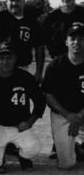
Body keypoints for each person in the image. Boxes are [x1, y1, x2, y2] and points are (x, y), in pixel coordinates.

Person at [0, 41, 45, 173]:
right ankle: (0, 160)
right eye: (1, 58)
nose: (5, 61)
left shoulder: (25, 77)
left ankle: (22, 155)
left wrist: (29, 122)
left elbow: (40, 102)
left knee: (34, 148)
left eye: (9, 57)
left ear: (15, 59)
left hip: (19, 127)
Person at [42, 0, 84, 159]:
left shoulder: (82, 13)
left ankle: (80, 142)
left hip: (81, 59)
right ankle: (58, 143)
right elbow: (42, 41)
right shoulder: (52, 17)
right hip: (59, 65)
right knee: (62, 101)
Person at [42, 26, 84, 169]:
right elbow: (48, 95)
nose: (76, 42)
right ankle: (75, 147)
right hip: (62, 115)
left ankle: (80, 143)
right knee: (67, 164)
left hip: (82, 113)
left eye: (81, 39)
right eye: (72, 38)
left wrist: (79, 116)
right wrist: (68, 115)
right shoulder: (56, 65)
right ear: (66, 42)